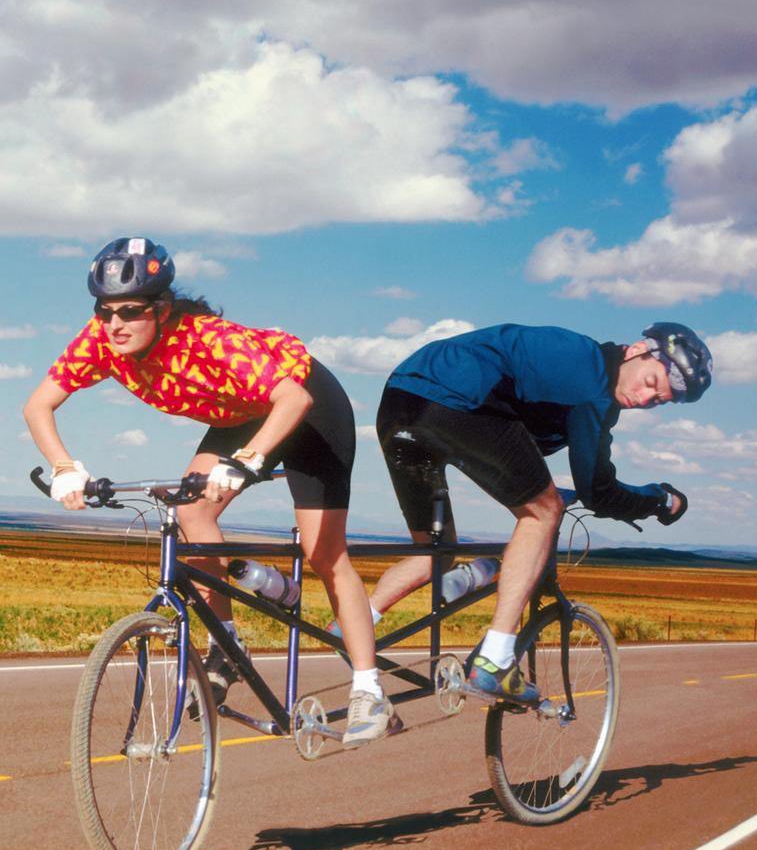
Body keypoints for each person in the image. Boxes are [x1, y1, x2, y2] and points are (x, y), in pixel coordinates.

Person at [23, 236, 401, 748]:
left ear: (161, 308)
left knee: (324, 552)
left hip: (307, 409)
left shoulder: (206, 340)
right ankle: (228, 646)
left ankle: (368, 689)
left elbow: (292, 398)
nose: (115, 324)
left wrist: (249, 460)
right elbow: (38, 405)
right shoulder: (101, 339)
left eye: (130, 311)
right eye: (104, 310)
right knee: (190, 512)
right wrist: (64, 466)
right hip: (240, 415)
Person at [369, 322, 713, 702]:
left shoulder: (569, 366)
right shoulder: (594, 381)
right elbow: (598, 489)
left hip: (401, 401)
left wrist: (551, 490)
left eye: (659, 400)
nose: (647, 398)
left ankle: (353, 625)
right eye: (650, 382)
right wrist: (659, 500)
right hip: (457, 399)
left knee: (437, 551)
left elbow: (519, 448)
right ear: (635, 351)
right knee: (542, 513)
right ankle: (495, 661)